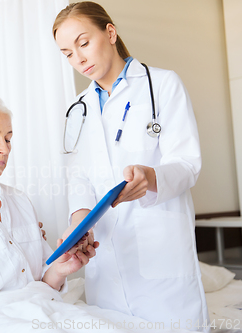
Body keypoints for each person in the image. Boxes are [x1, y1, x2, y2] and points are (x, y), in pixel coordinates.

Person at [0, 93, 192, 333]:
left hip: (43, 310)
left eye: (9, 139)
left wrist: (63, 267)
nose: (4, 149)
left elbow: (43, 280)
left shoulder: (19, 201)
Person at [52, 2, 208, 331]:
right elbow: (78, 173)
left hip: (160, 248)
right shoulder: (77, 109)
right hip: (105, 256)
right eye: (67, 53)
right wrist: (80, 217)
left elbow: (187, 163)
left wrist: (151, 178)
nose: (78, 59)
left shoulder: (163, 85)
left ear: (110, 32)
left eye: (83, 43)